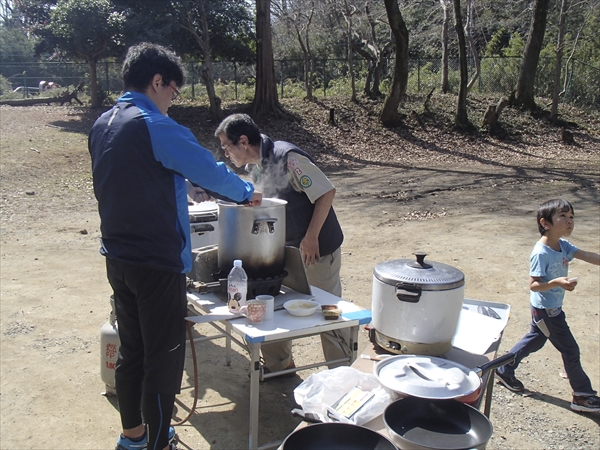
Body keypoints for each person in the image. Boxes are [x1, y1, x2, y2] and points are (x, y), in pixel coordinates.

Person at [88, 43, 261, 450]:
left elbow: (138, 177)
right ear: (158, 81)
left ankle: (132, 438)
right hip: (157, 262)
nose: (171, 100)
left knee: (132, 351)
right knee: (163, 359)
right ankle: (159, 442)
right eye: (173, 91)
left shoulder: (103, 123)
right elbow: (207, 169)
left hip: (118, 257)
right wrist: (246, 192)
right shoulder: (153, 124)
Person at [214, 113, 351, 376]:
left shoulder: (288, 157)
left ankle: (343, 372)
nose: (225, 153)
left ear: (243, 141)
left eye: (226, 146)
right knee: (271, 304)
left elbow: (326, 191)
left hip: (318, 249)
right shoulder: (255, 168)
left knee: (328, 309)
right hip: (285, 250)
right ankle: (279, 366)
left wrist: (310, 237)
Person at [495, 199, 600, 413]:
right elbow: (534, 285)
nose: (569, 221)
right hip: (546, 312)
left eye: (571, 217)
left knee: (535, 340)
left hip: (548, 310)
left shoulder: (562, 245)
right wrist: (556, 283)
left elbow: (586, 255)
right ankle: (582, 395)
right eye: (563, 216)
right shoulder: (541, 252)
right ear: (546, 223)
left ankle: (504, 368)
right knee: (570, 349)